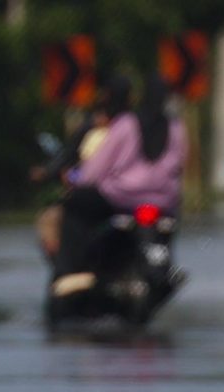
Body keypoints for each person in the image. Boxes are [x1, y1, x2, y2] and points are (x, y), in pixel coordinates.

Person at [51, 74, 187, 297]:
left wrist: (77, 179)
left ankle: (67, 271)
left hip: (121, 198)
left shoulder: (127, 124)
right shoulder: (176, 128)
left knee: (75, 206)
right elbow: (180, 165)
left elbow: (96, 169)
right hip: (164, 202)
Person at [31, 76, 132, 261]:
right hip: (135, 198)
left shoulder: (116, 129)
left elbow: (91, 170)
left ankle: (64, 268)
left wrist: (68, 176)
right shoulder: (139, 125)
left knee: (53, 219)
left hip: (102, 197)